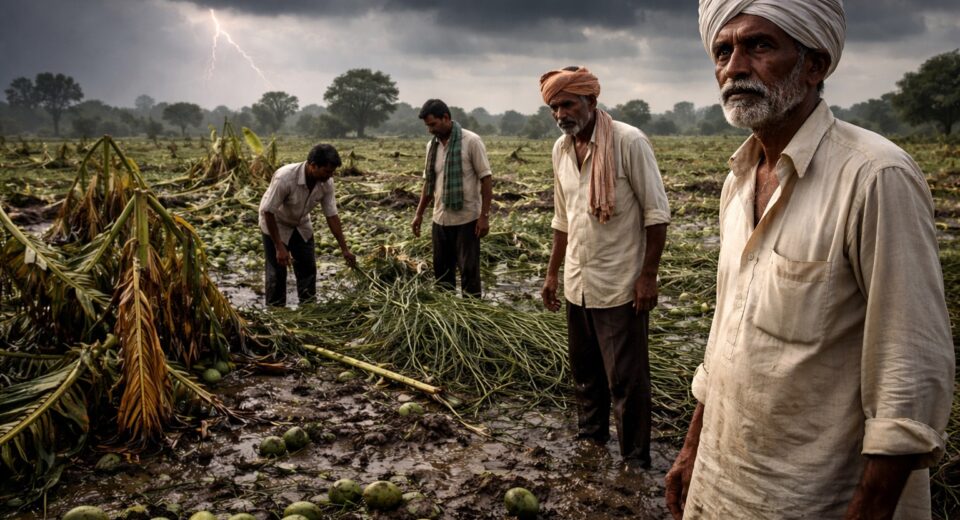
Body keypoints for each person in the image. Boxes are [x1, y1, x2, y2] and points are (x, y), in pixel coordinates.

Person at [665, 1, 955, 518]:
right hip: (723, 482)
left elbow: (909, 375)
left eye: (759, 45)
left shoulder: (875, 177)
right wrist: (693, 450)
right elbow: (724, 336)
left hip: (815, 496)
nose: (734, 67)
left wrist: (869, 506)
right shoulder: (738, 182)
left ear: (815, 65)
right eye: (723, 51)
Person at [539, 66, 671, 469]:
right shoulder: (561, 150)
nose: (561, 113)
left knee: (626, 381)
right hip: (578, 281)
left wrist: (647, 276)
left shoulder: (628, 142)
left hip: (619, 284)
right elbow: (563, 219)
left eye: (568, 103)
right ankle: (591, 439)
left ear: (591, 101)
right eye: (553, 107)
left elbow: (657, 214)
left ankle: (634, 458)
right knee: (585, 374)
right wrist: (552, 273)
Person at [411, 99, 493, 297]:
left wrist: (484, 216)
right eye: (427, 126)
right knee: (442, 274)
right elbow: (428, 183)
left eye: (433, 124)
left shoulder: (471, 141)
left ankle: (472, 316)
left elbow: (486, 179)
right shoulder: (431, 146)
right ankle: (447, 316)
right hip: (440, 219)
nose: (430, 130)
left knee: (469, 273)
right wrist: (419, 214)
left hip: (467, 220)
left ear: (446, 118)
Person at [258, 143, 356, 307]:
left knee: (307, 268)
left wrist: (344, 249)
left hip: (301, 223)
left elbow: (331, 215)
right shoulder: (285, 177)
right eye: (326, 171)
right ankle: (276, 313)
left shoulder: (326, 182)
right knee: (277, 272)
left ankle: (308, 307)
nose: (330, 176)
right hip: (276, 223)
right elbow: (268, 212)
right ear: (312, 166)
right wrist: (279, 247)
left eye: (332, 172)